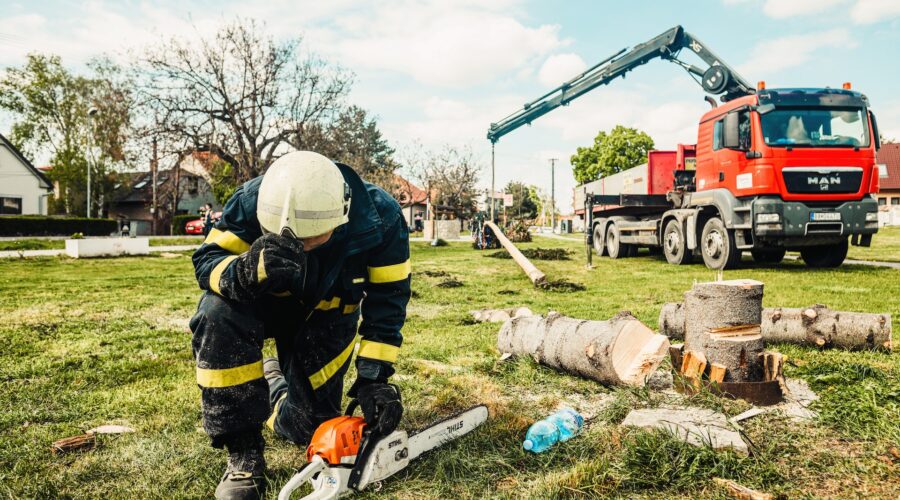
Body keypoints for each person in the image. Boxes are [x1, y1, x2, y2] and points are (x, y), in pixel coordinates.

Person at [189, 151, 410, 499]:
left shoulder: (379, 217)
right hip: (260, 304)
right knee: (216, 311)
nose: (299, 247)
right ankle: (243, 452)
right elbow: (207, 262)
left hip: (328, 317)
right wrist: (245, 270)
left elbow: (388, 301)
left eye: (312, 239)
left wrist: (373, 378)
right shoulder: (252, 200)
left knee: (307, 427)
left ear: (342, 215)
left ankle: (275, 383)